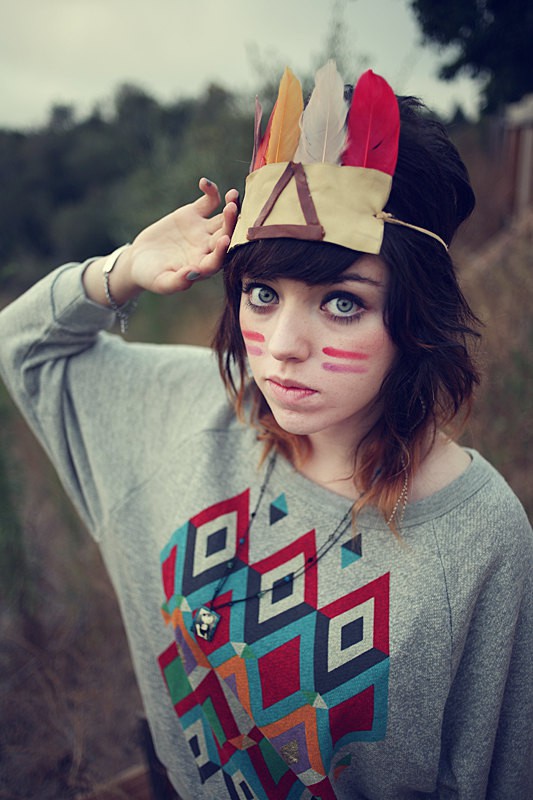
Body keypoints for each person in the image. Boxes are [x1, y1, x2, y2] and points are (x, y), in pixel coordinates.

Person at [0, 62, 531, 800]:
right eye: (261, 293)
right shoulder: (188, 410)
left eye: (341, 302)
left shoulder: (476, 537)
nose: (282, 346)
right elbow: (24, 346)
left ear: (414, 317)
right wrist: (122, 269)